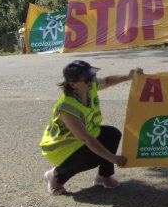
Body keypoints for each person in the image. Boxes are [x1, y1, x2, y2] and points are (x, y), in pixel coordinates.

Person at [39, 60, 143, 195]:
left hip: (80, 139)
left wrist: (128, 77)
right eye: (88, 79)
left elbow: (106, 81)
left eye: (92, 76)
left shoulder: (89, 86)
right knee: (92, 158)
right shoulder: (67, 107)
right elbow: (86, 138)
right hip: (61, 148)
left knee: (112, 134)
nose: (93, 80)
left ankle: (103, 177)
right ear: (72, 84)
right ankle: (55, 176)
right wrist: (112, 157)